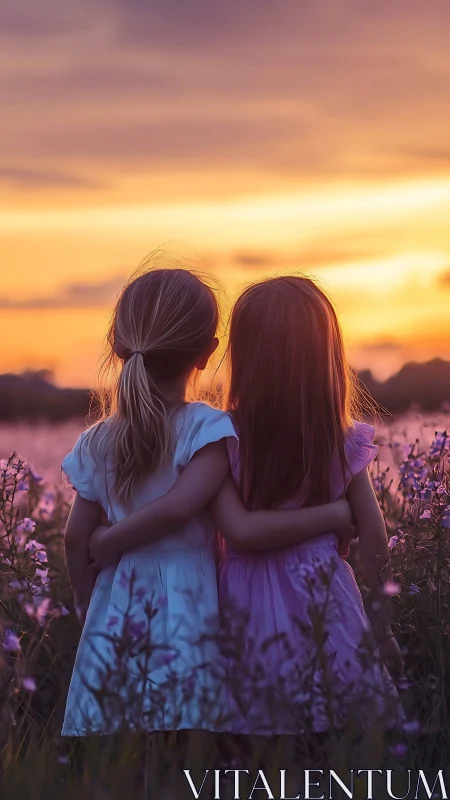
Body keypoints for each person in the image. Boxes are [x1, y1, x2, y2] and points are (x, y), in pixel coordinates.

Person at [89, 275, 404, 736]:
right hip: (326, 597)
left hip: (245, 604)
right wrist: (383, 624)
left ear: (244, 356)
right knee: (339, 727)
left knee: (256, 740)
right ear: (327, 357)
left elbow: (240, 530)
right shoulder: (340, 440)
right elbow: (373, 538)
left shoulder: (224, 437)